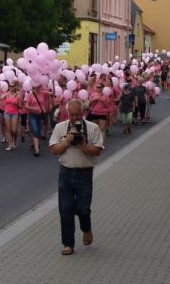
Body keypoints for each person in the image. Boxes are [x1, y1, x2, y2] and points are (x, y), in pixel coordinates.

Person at [49, 99, 104, 256]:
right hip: (65, 172)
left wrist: (85, 147)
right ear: (67, 113)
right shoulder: (60, 128)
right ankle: (68, 244)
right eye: (71, 115)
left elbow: (98, 150)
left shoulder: (93, 128)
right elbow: (54, 149)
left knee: (83, 209)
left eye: (77, 114)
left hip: (84, 173)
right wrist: (67, 141)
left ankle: (86, 228)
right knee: (65, 209)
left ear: (83, 112)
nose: (74, 118)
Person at [3, 81, 22, 151]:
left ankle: (15, 141)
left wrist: (16, 104)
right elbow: (0, 98)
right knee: (8, 129)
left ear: (15, 87)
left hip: (15, 113)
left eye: (12, 86)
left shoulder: (18, 95)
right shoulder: (7, 93)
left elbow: (20, 107)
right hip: (7, 112)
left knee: (13, 130)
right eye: (10, 86)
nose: (11, 87)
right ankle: (10, 144)